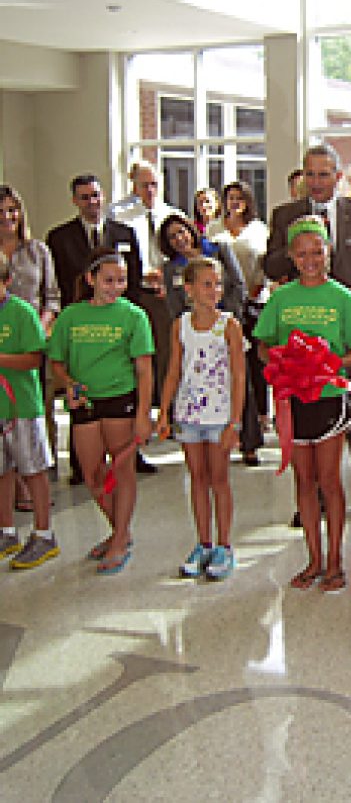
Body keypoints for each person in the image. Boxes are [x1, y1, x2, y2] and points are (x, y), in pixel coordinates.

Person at [264, 144, 351, 522]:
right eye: (311, 174)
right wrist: (296, 248)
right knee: (312, 421)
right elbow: (272, 264)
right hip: (304, 345)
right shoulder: (286, 214)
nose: (318, 182)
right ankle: (314, 498)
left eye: (325, 174)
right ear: (303, 177)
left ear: (338, 177)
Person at [254, 217, 351, 593]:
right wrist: (280, 361)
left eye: (317, 252)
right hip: (292, 402)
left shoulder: (342, 297)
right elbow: (261, 344)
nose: (310, 260)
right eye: (302, 254)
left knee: (329, 482)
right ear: (291, 256)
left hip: (328, 401)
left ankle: (336, 560)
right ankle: (313, 559)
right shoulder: (281, 297)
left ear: (328, 252)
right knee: (303, 482)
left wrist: (332, 364)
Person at [48, 247, 154, 574]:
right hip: (85, 403)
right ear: (91, 279)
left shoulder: (134, 316)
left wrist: (143, 415)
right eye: (108, 280)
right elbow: (56, 362)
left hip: (119, 400)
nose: (115, 287)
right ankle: (120, 529)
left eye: (121, 280)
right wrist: (68, 383)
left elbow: (145, 370)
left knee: (121, 473)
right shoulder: (70, 317)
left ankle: (120, 537)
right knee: (93, 475)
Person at [46, 174, 143, 485]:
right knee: (83, 397)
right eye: (85, 197)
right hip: (81, 323)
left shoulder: (124, 232)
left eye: (96, 195)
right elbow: (57, 281)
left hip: (120, 323)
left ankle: (132, 454)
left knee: (122, 389)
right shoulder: (59, 238)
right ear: (75, 201)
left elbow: (136, 280)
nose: (92, 202)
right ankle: (81, 462)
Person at [157, 257, 245, 580]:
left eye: (218, 284)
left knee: (219, 479)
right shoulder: (180, 326)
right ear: (189, 289)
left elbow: (238, 376)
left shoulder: (229, 326)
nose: (214, 290)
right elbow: (173, 371)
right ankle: (203, 542)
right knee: (197, 478)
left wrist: (235, 422)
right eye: (207, 284)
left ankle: (224, 545)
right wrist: (164, 410)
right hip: (189, 414)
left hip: (219, 416)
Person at [159, 212, 260, 466]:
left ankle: (248, 440)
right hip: (194, 333)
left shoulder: (218, 249)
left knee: (238, 380)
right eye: (172, 237)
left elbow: (238, 284)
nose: (179, 239)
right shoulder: (173, 268)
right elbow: (173, 303)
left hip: (224, 326)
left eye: (181, 231)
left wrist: (226, 315)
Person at [0, 185, 61, 508]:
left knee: (37, 410)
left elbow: (52, 296)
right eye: (1, 211)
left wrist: (41, 327)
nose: (8, 217)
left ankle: (36, 480)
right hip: (2, 339)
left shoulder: (37, 250)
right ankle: (12, 486)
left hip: (33, 338)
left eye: (13, 209)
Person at [111, 160, 180, 441]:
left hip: (166, 294)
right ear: (134, 185)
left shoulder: (171, 214)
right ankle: (140, 414)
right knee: (138, 355)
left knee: (167, 353)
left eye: (154, 184)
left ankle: (169, 413)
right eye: (144, 185)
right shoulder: (121, 217)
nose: (149, 190)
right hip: (136, 293)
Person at [0, 252, 58, 569]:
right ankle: (7, 530)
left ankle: (44, 532)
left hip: (22, 406)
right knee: (3, 470)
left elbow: (34, 359)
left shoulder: (21, 313)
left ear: (7, 282)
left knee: (32, 468)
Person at [210, 180, 270, 438]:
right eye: (229, 197)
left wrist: (253, 294)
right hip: (222, 304)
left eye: (239, 198)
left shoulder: (258, 230)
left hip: (254, 303)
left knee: (255, 362)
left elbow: (264, 266)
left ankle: (261, 414)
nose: (234, 203)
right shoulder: (214, 228)